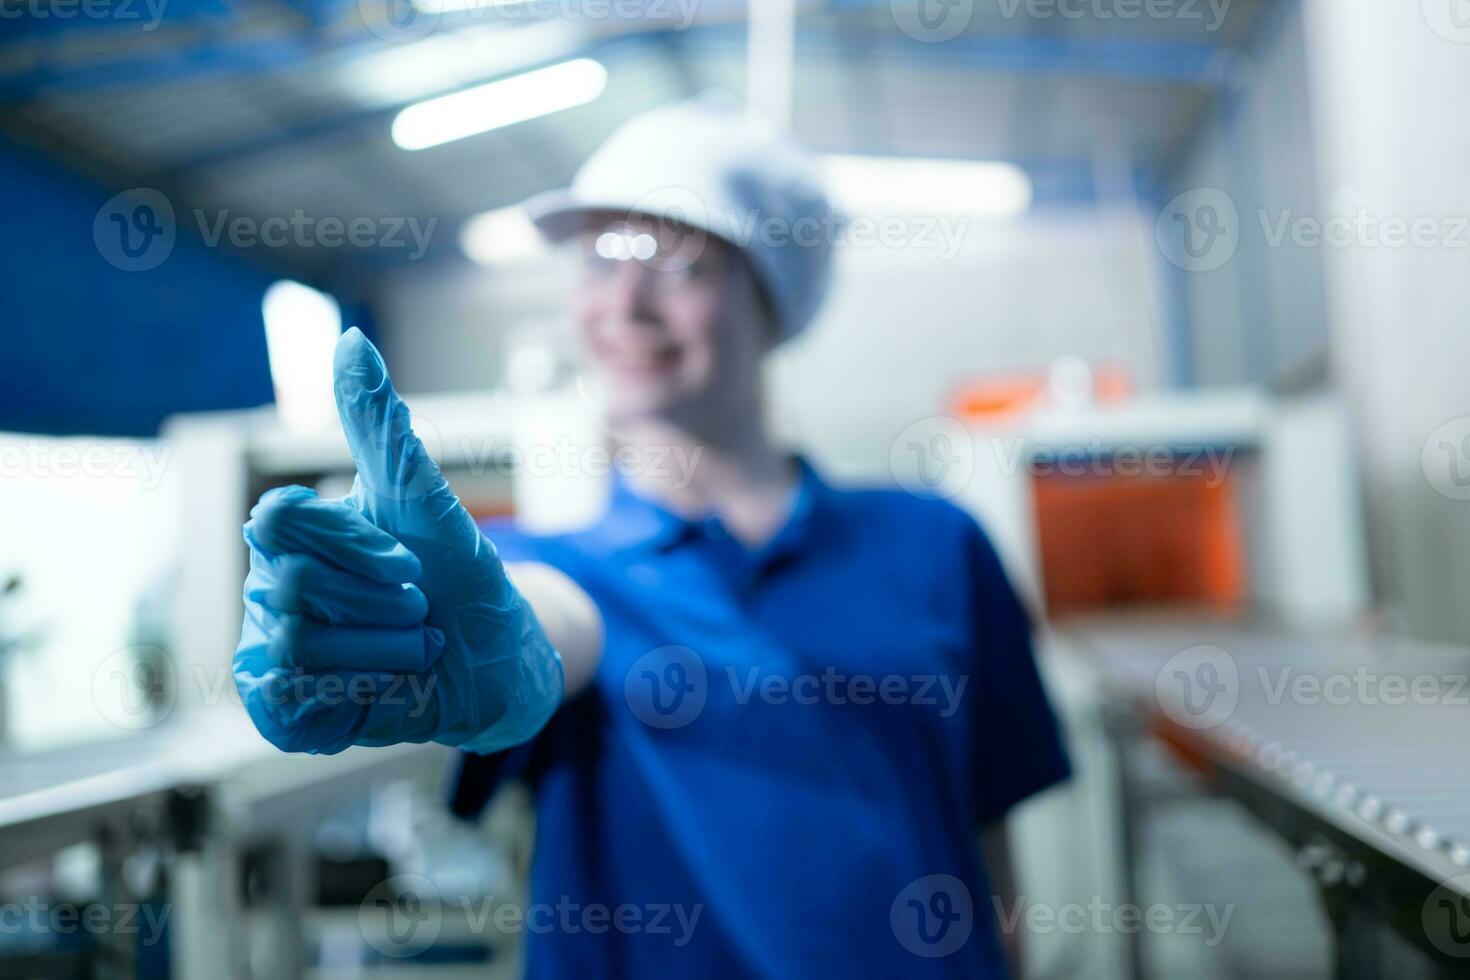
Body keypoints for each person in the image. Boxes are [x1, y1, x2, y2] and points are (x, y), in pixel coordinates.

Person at [234, 97, 1070, 978]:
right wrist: (423, 635)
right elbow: (543, 623)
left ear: (772, 297)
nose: (625, 302)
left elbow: (989, 842)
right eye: (599, 257)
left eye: (677, 261)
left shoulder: (935, 546)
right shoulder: (553, 568)